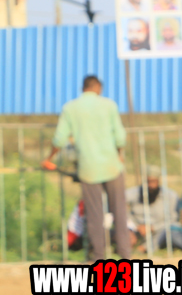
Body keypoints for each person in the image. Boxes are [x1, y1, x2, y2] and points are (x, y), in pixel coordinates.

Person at [42, 76, 131, 261]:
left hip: (88, 169)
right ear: (98, 87)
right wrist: (120, 154)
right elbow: (120, 137)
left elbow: (59, 138)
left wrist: (49, 158)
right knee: (119, 212)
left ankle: (98, 257)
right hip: (112, 166)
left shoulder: (70, 108)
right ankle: (125, 255)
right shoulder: (109, 105)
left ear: (83, 88)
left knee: (94, 215)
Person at [126, 166, 182, 253]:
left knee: (169, 230)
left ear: (158, 181)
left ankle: (144, 248)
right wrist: (133, 227)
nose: (150, 185)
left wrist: (153, 228)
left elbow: (174, 220)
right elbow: (120, 210)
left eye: (153, 182)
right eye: (147, 182)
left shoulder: (171, 196)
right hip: (137, 230)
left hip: (159, 231)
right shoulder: (132, 193)